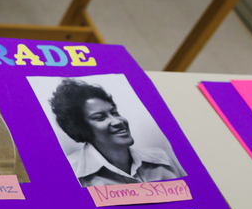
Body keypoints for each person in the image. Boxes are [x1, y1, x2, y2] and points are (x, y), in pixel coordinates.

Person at [48, 78, 185, 188]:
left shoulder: (161, 158)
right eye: (100, 117)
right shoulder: (70, 172)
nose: (118, 121)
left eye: (114, 113)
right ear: (80, 128)